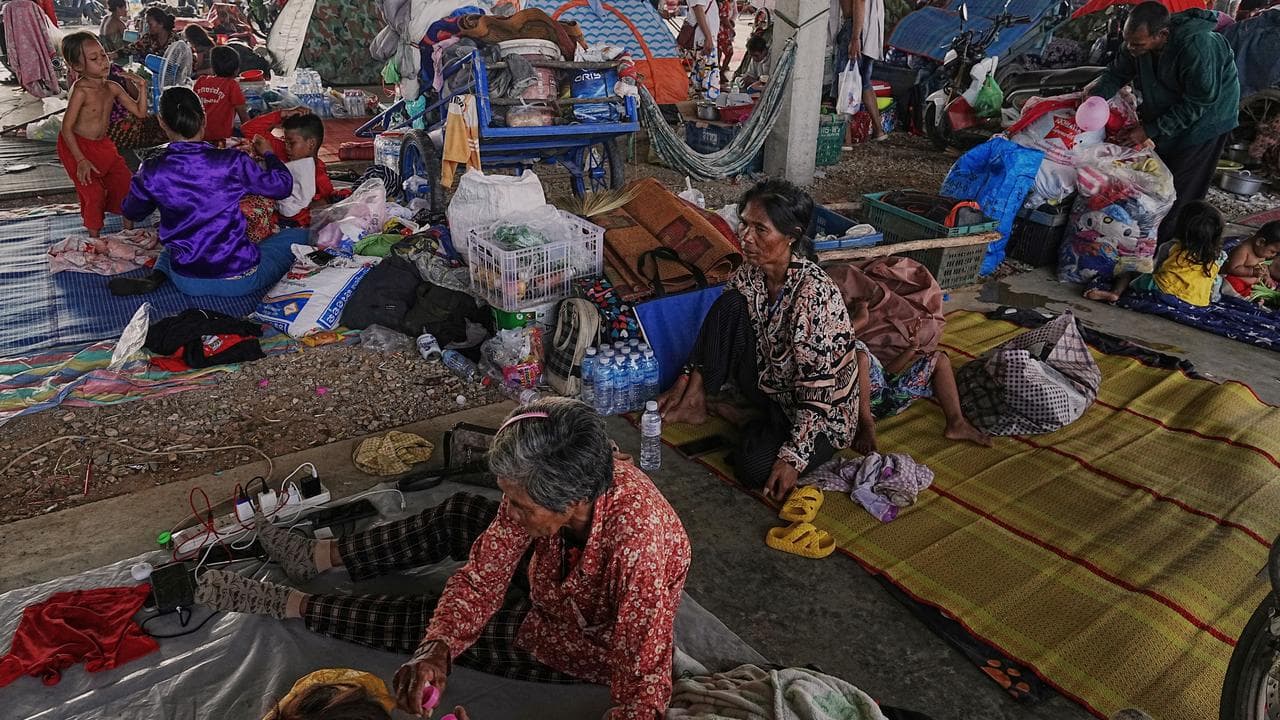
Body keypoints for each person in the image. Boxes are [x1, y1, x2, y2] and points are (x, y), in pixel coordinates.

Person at [193, 398, 691, 720]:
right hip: (555, 572)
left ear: (572, 501)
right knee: (458, 518)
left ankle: (296, 605)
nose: (510, 511)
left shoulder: (639, 550)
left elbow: (642, 688)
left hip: (584, 638)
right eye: (508, 496)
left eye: (521, 505)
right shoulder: (566, 477)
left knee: (429, 619)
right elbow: (482, 577)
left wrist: (435, 640)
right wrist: (440, 646)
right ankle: (319, 556)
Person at [659, 180, 860, 501]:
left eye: (760, 230)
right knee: (729, 304)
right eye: (745, 224)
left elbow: (818, 389)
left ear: (791, 236)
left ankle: (749, 421)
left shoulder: (812, 293)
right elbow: (719, 329)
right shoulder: (750, 273)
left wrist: (792, 459)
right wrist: (686, 381)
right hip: (773, 386)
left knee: (753, 469)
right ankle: (696, 400)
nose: (746, 237)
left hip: (821, 414)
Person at [108, 87, 294, 297]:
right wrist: (269, 154)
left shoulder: (151, 170)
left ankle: (156, 276)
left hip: (186, 279)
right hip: (239, 278)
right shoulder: (232, 161)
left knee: (172, 245)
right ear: (203, 119)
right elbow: (282, 186)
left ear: (161, 122)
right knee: (296, 235)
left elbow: (132, 211)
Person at [1089, 2, 1240, 247]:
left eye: (1138, 44)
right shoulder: (1136, 45)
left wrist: (1149, 130)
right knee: (1157, 179)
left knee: (1180, 188)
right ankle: (1141, 237)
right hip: (1169, 108)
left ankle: (1163, 248)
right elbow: (1116, 73)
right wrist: (1094, 100)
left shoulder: (1197, 46)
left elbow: (1199, 101)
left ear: (1163, 34)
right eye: (1128, 42)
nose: (1131, 48)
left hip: (1208, 117)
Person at [57, 32, 148, 239]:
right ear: (78, 66)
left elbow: (140, 112)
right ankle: (94, 239)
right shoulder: (81, 90)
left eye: (103, 55)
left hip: (102, 145)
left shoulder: (112, 87)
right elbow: (66, 128)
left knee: (126, 183)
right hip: (75, 147)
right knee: (94, 194)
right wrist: (80, 160)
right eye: (93, 58)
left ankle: (128, 233)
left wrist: (142, 87)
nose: (102, 61)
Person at [1092, 201, 1226, 306]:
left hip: (1163, 290)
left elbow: (1156, 270)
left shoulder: (1171, 246)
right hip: (1197, 301)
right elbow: (1214, 282)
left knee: (1129, 274)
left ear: (1182, 226)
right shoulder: (1218, 255)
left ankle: (1115, 294)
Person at [241, 107, 334, 227]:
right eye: (285, 141)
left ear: (311, 144)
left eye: (291, 143)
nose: (287, 147)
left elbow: (322, 208)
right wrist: (281, 114)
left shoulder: (318, 176)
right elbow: (248, 129)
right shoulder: (282, 151)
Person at [834, 0, 886, 144]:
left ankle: (846, 140)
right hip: (867, 28)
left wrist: (855, 38)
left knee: (845, 82)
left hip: (856, 27)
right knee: (864, 82)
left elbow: (859, 2)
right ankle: (879, 130)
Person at [194, 46, 248, 143]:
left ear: (213, 68)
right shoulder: (232, 85)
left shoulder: (200, 81)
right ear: (236, 70)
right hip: (221, 139)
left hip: (198, 136)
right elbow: (243, 116)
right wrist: (252, 137)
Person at [1222, 221, 1280, 299]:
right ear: (1260, 242)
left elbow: (1263, 264)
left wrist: (1267, 277)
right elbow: (1232, 268)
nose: (1273, 255)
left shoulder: (1261, 250)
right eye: (1273, 251)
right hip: (1236, 282)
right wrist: (1252, 272)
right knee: (1233, 283)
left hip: (1251, 285)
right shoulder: (1243, 250)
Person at [685, 0, 721, 98]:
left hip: (705, 39)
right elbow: (698, 10)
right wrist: (708, 38)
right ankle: (707, 103)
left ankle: (701, 102)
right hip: (704, 39)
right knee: (708, 78)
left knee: (702, 76)